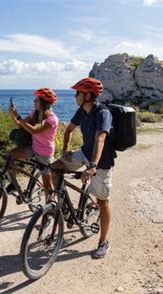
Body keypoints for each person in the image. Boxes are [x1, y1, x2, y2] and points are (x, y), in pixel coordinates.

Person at [50, 77, 116, 259]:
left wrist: (92, 166)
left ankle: (103, 242)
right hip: (85, 153)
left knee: (102, 202)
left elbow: (100, 139)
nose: (75, 96)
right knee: (54, 168)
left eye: (77, 93)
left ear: (87, 94)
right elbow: (69, 129)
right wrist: (64, 151)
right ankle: (63, 208)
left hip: (101, 162)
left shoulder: (103, 113)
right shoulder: (82, 111)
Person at [8, 88, 59, 193]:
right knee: (10, 155)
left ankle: (51, 207)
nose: (34, 102)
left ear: (43, 103)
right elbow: (20, 125)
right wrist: (12, 115)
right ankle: (13, 184)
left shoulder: (52, 119)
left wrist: (17, 115)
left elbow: (34, 131)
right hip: (33, 148)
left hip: (45, 153)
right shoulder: (34, 113)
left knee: (48, 186)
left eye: (36, 100)